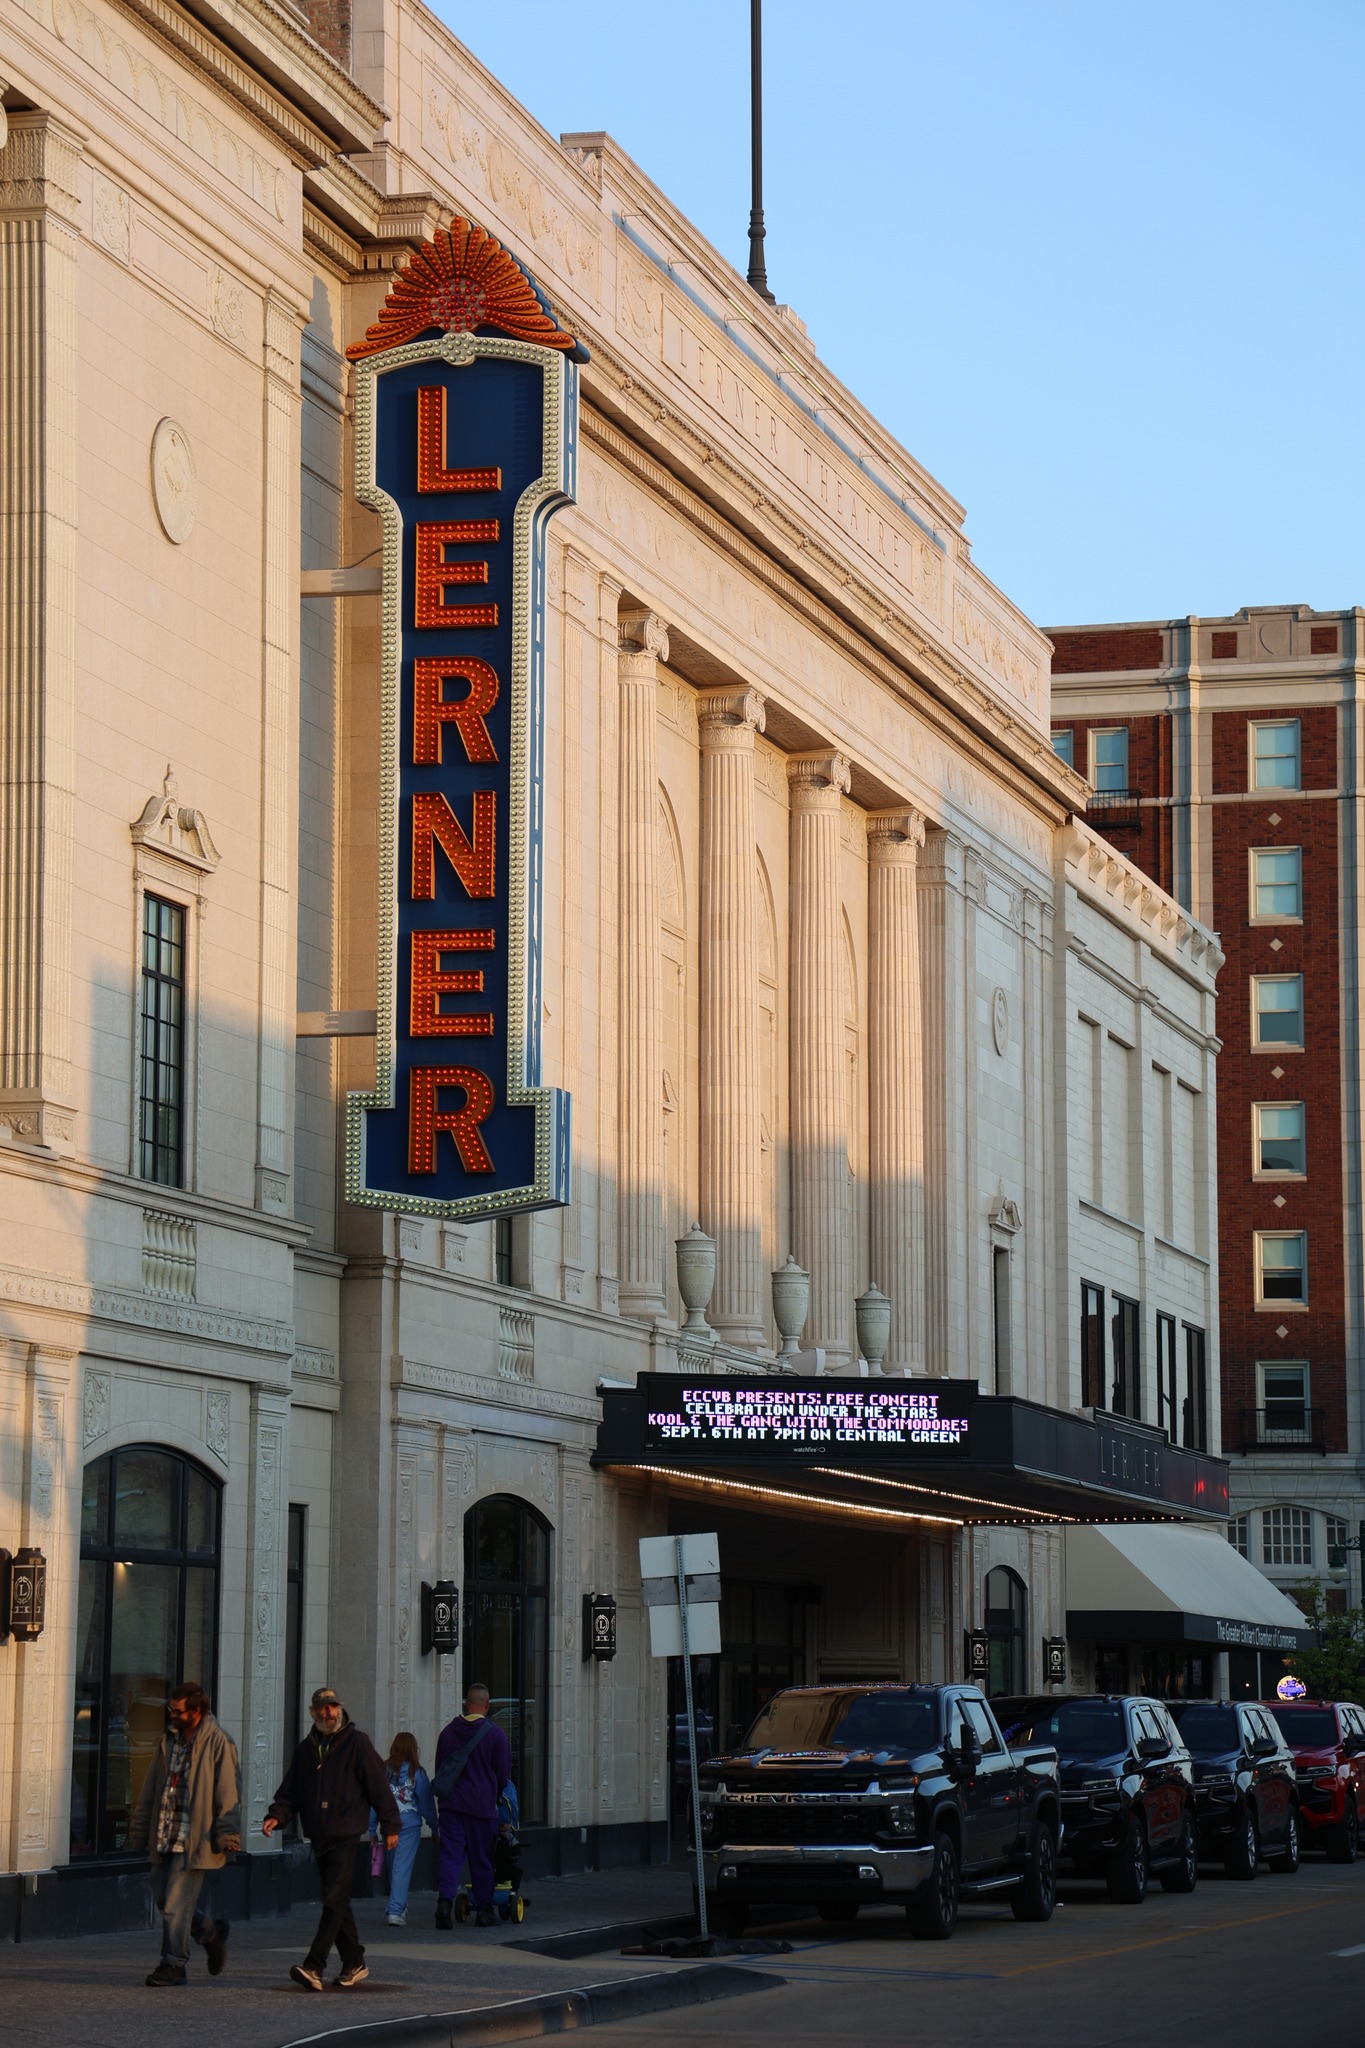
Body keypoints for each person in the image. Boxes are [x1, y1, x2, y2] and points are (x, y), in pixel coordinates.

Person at [264, 1685, 399, 1991]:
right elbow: (291, 1791)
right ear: (313, 1712)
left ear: (341, 1708)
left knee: (333, 1899)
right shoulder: (306, 1749)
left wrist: (390, 1825)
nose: (329, 1713)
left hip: (346, 1832)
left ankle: (314, 1966)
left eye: (333, 1707)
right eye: (323, 1708)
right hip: (319, 1834)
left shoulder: (357, 1743)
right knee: (337, 1901)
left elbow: (379, 1786)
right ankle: (354, 1961)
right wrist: (277, 1815)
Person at [127, 1681, 241, 1988]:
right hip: (164, 1833)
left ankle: (173, 1965)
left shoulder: (219, 1742)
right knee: (165, 1902)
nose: (172, 1716)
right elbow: (152, 1786)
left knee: (176, 1905)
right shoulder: (169, 1739)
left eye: (178, 1711)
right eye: (171, 1710)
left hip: (194, 1839)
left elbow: (228, 1793)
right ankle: (210, 1933)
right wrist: (139, 1829)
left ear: (198, 1710)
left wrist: (229, 1835)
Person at [432, 1682, 512, 1928]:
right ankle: (485, 1911)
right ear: (487, 1705)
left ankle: (444, 1904)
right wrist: (494, 1794)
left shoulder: (447, 1733)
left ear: (466, 1705)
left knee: (450, 1856)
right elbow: (503, 1774)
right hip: (481, 1807)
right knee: (482, 1859)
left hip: (451, 1806)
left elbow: (441, 1769)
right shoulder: (496, 1735)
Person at [371, 1731, 438, 1926]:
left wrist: (372, 1828)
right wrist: (435, 1827)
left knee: (394, 1866)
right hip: (409, 1825)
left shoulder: (383, 1771)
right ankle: (396, 1910)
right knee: (402, 1867)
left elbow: (375, 1801)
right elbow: (426, 1805)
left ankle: (399, 1904)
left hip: (388, 1825)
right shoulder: (418, 1773)